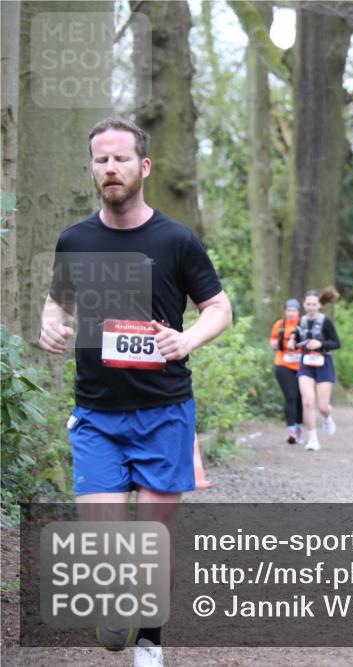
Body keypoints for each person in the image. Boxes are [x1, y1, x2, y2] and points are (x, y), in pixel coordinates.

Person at [38, 117, 232, 665]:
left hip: (165, 411)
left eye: (121, 158)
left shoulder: (175, 240)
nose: (110, 168)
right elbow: (59, 301)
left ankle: (150, 643)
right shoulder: (74, 240)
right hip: (97, 414)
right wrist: (50, 321)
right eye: (101, 160)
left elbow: (219, 308)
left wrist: (186, 338)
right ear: (91, 169)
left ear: (143, 167)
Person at [293, 287, 341, 451]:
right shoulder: (301, 321)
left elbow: (336, 343)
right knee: (307, 401)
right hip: (306, 363)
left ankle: (327, 416)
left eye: (314, 304)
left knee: (322, 406)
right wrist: (294, 343)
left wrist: (321, 344)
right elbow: (297, 339)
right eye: (308, 304)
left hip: (323, 363)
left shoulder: (325, 321)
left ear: (319, 305)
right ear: (303, 304)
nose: (311, 307)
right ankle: (312, 439)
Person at [270, 299, 304, 444]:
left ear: (298, 312)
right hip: (283, 364)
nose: (290, 313)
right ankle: (291, 431)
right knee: (290, 396)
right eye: (288, 310)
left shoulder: (303, 324)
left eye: (293, 311)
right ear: (285, 311)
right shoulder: (279, 325)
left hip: (302, 366)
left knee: (300, 398)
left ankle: (298, 427)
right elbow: (272, 342)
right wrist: (279, 344)